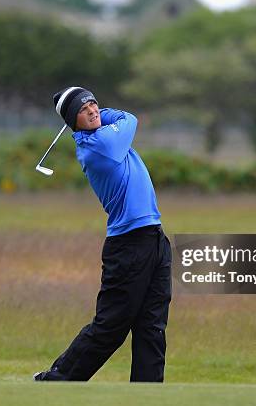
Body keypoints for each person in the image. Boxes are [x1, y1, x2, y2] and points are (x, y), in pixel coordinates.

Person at [33, 86, 172, 383]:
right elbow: (130, 118)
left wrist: (90, 110)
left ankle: (147, 393)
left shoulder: (105, 136)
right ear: (73, 122)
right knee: (112, 326)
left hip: (154, 239)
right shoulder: (99, 147)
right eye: (83, 110)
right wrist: (102, 114)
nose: (93, 110)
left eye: (94, 104)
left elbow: (118, 120)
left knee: (152, 325)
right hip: (129, 246)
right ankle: (59, 378)